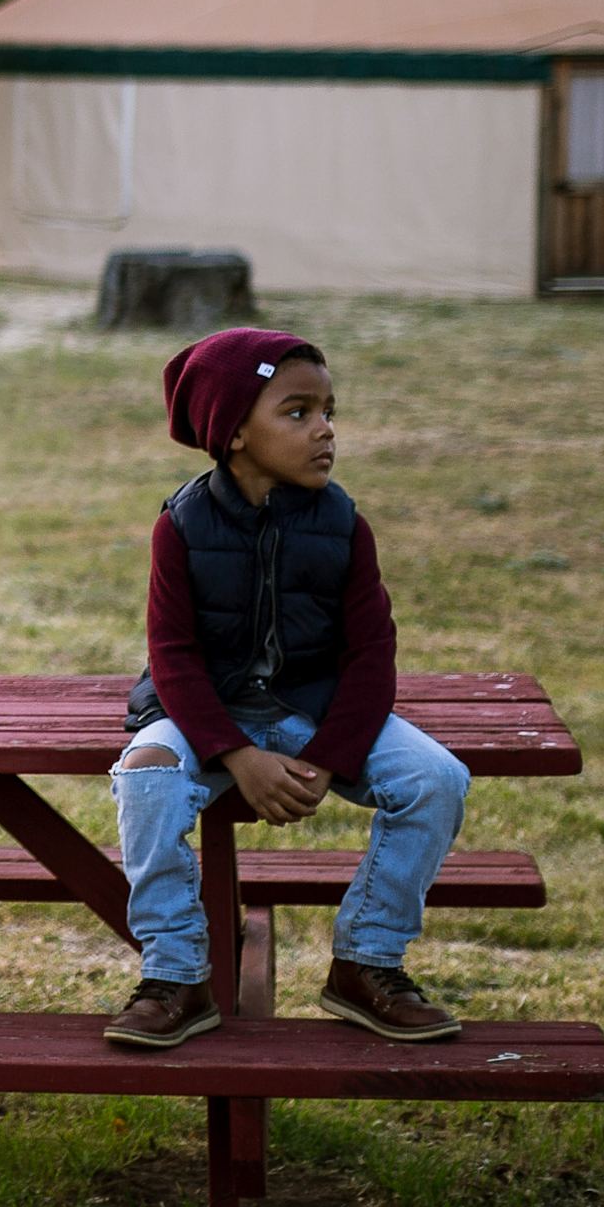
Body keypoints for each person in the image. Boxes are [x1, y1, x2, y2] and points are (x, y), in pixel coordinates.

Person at [101, 326, 472, 1049]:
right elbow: (173, 655)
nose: (324, 430)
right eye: (298, 413)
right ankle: (176, 977)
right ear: (234, 433)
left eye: (330, 412)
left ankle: (367, 963)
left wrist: (330, 757)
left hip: (315, 709)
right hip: (206, 713)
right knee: (146, 774)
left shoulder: (344, 525)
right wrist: (235, 754)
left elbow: (372, 655)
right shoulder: (182, 525)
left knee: (436, 780)